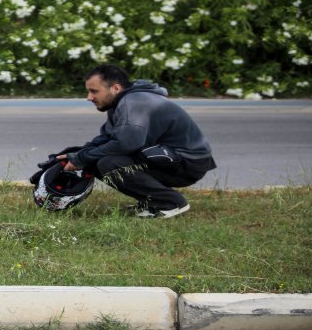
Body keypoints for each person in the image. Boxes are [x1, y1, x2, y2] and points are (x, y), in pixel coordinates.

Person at [59, 64, 216, 218]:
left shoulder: (133, 103)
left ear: (115, 88)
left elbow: (126, 144)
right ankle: (152, 201)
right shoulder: (123, 101)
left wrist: (81, 158)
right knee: (95, 160)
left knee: (108, 164)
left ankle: (171, 203)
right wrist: (76, 155)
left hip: (188, 164)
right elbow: (107, 138)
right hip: (167, 157)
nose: (89, 97)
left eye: (94, 91)